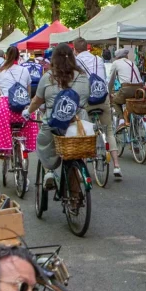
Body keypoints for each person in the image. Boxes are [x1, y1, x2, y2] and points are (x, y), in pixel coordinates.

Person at [25, 44, 90, 190]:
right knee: (76, 152)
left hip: (54, 122)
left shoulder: (48, 77)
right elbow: (87, 97)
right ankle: (76, 185)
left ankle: (49, 171)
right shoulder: (83, 76)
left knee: (44, 142)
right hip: (79, 123)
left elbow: (37, 100)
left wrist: (28, 111)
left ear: (53, 58)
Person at [74, 37, 122, 179]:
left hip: (87, 101)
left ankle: (83, 169)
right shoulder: (98, 59)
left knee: (84, 132)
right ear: (88, 47)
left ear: (75, 49)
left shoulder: (75, 62)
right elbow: (105, 80)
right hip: (103, 98)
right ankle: (117, 166)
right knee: (109, 131)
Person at [0, 46, 31, 185]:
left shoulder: (0, 71)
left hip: (5, 109)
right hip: (21, 110)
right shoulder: (25, 70)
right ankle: (24, 170)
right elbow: (27, 92)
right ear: (18, 57)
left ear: (5, 56)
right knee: (22, 138)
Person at [108, 48, 144, 123]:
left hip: (127, 89)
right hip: (140, 89)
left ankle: (121, 120)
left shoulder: (116, 63)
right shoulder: (132, 63)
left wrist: (109, 92)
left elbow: (111, 80)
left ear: (117, 57)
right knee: (132, 101)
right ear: (126, 56)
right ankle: (135, 122)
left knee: (115, 101)